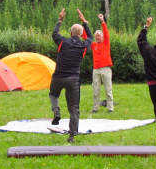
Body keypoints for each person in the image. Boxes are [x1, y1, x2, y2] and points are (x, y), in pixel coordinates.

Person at [49, 8, 92, 143]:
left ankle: (56, 111)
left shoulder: (63, 42)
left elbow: (54, 33)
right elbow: (90, 37)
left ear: (71, 32)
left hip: (58, 77)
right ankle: (72, 135)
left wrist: (60, 20)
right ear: (81, 34)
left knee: (53, 95)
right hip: (73, 79)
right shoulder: (84, 45)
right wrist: (84, 22)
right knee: (74, 108)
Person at [89, 13, 114, 113]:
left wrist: (102, 21)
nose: (97, 37)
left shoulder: (106, 43)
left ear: (103, 37)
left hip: (106, 69)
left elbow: (106, 32)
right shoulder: (93, 45)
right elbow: (86, 36)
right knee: (96, 90)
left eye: (99, 35)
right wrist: (84, 22)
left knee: (108, 89)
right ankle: (95, 108)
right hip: (96, 70)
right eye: (96, 36)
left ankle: (110, 108)